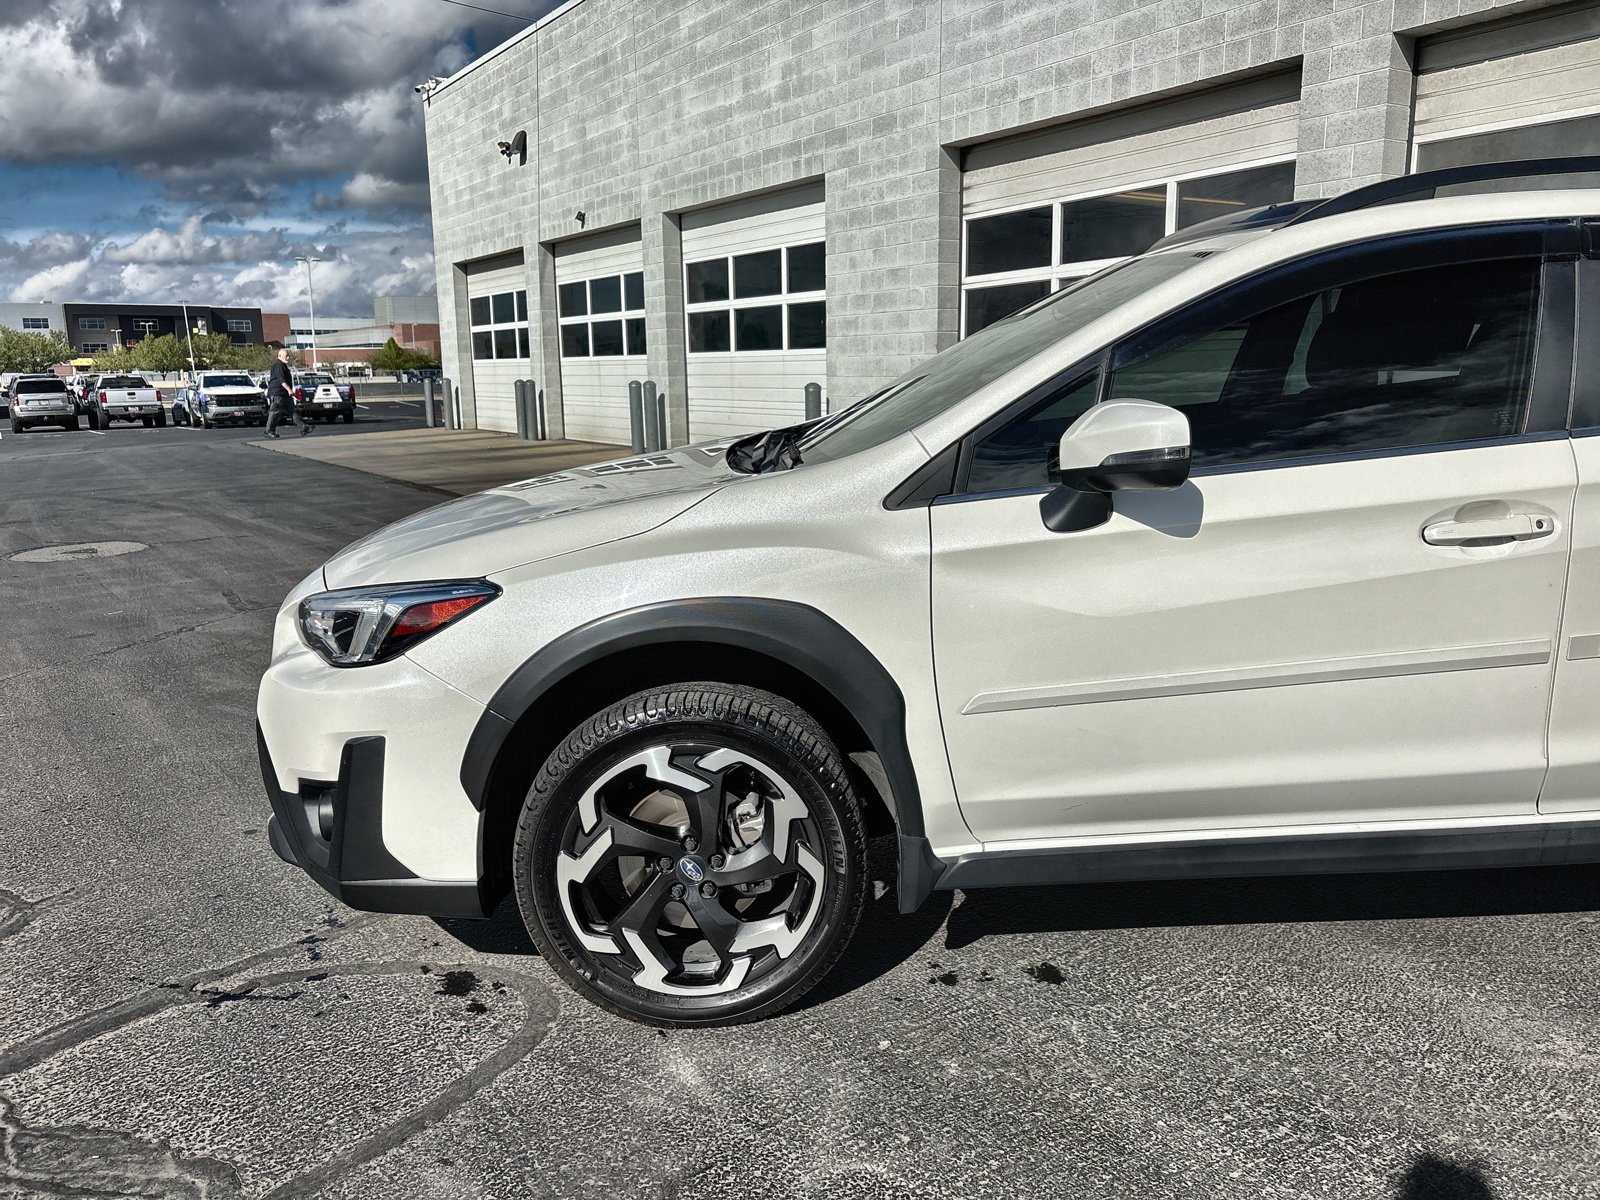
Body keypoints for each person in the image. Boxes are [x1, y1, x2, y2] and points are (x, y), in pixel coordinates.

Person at [265, 347, 312, 438]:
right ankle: (269, 431)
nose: (288, 358)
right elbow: (281, 380)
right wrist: (289, 390)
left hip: (284, 394)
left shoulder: (283, 365)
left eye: (288, 356)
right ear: (279, 356)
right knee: (275, 412)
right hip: (278, 393)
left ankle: (304, 427)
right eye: (286, 356)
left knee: (292, 411)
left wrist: (288, 391)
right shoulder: (278, 365)